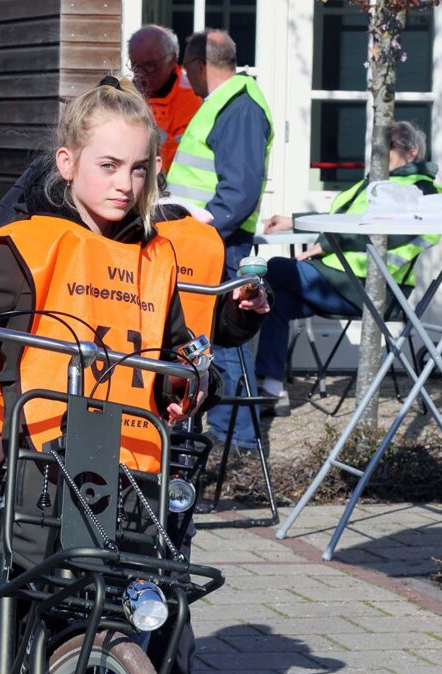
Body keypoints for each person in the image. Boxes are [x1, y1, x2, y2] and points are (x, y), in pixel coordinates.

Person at [0, 79, 268, 674]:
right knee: (27, 622)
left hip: (135, 471)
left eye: (140, 169)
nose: (126, 184)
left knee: (166, 628)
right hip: (38, 464)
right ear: (67, 164)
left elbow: (178, 347)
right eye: (110, 165)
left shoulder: (157, 257)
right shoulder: (25, 248)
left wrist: (214, 346)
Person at [256, 120, 441, 415]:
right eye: (376, 148)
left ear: (412, 152)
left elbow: (388, 231)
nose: (378, 154)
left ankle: (258, 378)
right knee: (275, 299)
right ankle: (271, 389)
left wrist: (326, 244)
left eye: (388, 147)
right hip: (342, 281)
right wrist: (292, 220)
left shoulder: (419, 190)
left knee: (275, 268)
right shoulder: (378, 181)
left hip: (373, 290)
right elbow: (342, 215)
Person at [165, 29, 273, 457]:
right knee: (210, 340)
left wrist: (202, 235)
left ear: (196, 65)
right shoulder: (228, 104)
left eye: (186, 71)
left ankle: (236, 446)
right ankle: (229, 440)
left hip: (217, 243)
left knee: (221, 341)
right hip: (206, 240)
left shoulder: (238, 107)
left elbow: (239, 190)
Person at [128, 24, 202, 172]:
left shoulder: (197, 98)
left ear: (172, 59)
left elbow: (190, 159)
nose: (141, 74)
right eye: (135, 65)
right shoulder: (126, 96)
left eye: (150, 65)